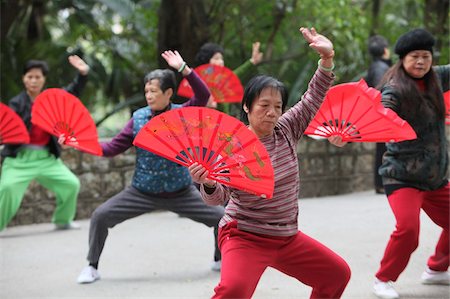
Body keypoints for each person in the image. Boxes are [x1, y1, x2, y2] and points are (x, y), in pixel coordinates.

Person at [188, 27, 351, 299]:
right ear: (247, 108)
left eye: (278, 106)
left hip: (287, 237)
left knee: (337, 274)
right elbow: (218, 198)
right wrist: (206, 182)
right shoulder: (231, 146)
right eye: (264, 105)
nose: (272, 112)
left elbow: (312, 99)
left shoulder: (286, 129)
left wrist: (326, 60)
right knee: (234, 289)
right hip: (244, 236)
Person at [76, 50, 225, 284]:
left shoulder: (182, 113)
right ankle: (92, 267)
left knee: (222, 218)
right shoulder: (138, 119)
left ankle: (219, 259)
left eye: (153, 91)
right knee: (100, 216)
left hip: (181, 192)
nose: (148, 95)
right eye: (146, 91)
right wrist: (80, 143)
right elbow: (111, 148)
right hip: (141, 192)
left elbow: (204, 94)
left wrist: (183, 67)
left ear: (168, 93)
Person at [364, 29, 449, 299]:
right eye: (415, 57)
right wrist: (352, 134)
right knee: (409, 231)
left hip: (435, 177)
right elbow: (380, 113)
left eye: (426, 56)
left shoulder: (437, 78)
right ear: (402, 59)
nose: (421, 62)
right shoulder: (395, 88)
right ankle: (383, 279)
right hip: (401, 176)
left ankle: (436, 268)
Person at [0, 55, 90, 231]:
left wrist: (83, 73)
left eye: (37, 77)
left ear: (44, 79)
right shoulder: (16, 103)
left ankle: (63, 220)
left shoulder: (52, 100)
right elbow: (7, 126)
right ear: (24, 79)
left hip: (47, 158)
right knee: (7, 188)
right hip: (19, 159)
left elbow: (71, 92)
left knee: (71, 183)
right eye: (30, 77)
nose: (33, 81)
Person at [195, 41, 263, 112]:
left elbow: (238, 73)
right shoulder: (200, 82)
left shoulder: (223, 80)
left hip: (224, 120)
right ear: (207, 62)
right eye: (216, 58)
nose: (221, 61)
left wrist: (252, 61)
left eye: (221, 59)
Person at [365, 35, 392, 194]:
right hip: (382, 112)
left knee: (382, 147)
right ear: (384, 50)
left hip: (377, 111)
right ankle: (381, 183)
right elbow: (381, 90)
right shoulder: (381, 68)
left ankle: (380, 183)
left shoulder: (375, 66)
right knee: (384, 147)